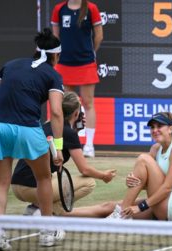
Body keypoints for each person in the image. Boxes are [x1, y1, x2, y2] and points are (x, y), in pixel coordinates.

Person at [0, 28, 64, 249]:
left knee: (1, 183)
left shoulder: (10, 65)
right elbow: (56, 112)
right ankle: (47, 231)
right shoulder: (53, 74)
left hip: (0, 128)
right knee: (44, 178)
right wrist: (59, 147)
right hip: (28, 129)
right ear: (55, 56)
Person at [65, 112, 172, 222]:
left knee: (143, 159)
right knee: (109, 206)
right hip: (161, 205)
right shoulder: (155, 149)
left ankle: (120, 215)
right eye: (152, 127)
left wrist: (141, 206)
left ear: (171, 129)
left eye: (159, 126)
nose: (155, 130)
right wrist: (133, 180)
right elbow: (148, 182)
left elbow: (166, 188)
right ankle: (59, 214)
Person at [11, 91, 117, 216]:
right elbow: (85, 170)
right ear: (76, 114)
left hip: (16, 186)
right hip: (33, 188)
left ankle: (36, 208)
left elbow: (62, 144)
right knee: (89, 182)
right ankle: (47, 211)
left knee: (57, 175)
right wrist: (104, 176)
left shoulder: (48, 125)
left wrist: (75, 131)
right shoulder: (68, 133)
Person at [51, 0, 103, 158]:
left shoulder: (91, 8)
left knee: (88, 102)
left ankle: (89, 145)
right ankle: (71, 142)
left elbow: (99, 36)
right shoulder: (59, 9)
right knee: (68, 104)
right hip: (64, 63)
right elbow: (55, 36)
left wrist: (90, 53)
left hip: (86, 63)